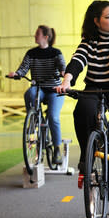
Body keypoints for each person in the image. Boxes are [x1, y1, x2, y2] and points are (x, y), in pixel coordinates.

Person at [55, 0, 109, 211]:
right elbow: (78, 60)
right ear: (96, 21)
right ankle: (88, 155)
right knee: (83, 110)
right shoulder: (89, 41)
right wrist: (67, 80)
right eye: (108, 17)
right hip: (96, 87)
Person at [8, 25, 66, 164]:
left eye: (37, 34)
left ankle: (57, 149)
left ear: (46, 37)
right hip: (38, 88)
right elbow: (23, 68)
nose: (35, 36)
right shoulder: (31, 53)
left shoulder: (56, 53)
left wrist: (64, 73)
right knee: (29, 93)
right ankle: (33, 119)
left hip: (54, 90)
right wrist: (17, 74)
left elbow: (62, 66)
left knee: (53, 117)